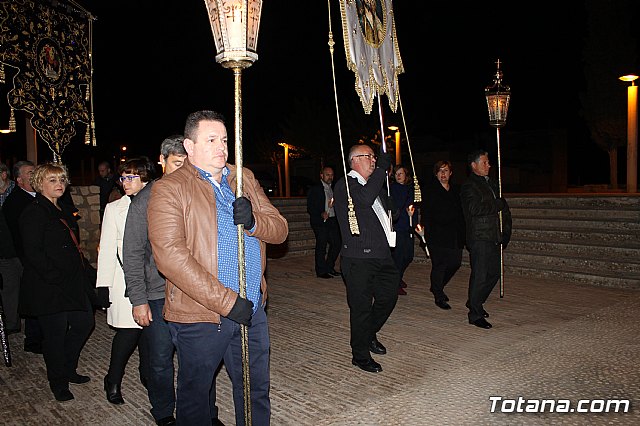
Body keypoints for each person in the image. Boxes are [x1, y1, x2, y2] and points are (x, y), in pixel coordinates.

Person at [148, 110, 288, 425]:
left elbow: (280, 230)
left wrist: (254, 221)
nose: (221, 147)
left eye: (224, 140)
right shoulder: (170, 189)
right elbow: (170, 257)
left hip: (252, 307)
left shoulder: (244, 178)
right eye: (211, 140)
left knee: (255, 392)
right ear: (189, 146)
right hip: (201, 315)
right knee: (196, 397)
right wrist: (227, 302)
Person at [124, 136, 222, 426]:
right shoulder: (146, 199)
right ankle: (165, 413)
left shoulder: (198, 191)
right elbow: (132, 253)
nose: (183, 170)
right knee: (160, 361)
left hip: (194, 292)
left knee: (200, 359)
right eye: (177, 163)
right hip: (157, 294)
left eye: (187, 164)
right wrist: (138, 300)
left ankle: (207, 412)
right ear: (162, 161)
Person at [18, 163, 95, 401]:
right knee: (55, 335)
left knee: (84, 323)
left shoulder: (62, 209)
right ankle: (58, 382)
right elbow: (32, 253)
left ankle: (67, 368)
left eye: (61, 179)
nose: (59, 184)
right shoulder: (33, 212)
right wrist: (54, 277)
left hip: (71, 281)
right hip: (48, 285)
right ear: (40, 184)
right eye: (52, 180)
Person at [333, 144, 399, 374]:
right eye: (369, 157)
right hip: (358, 258)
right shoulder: (345, 185)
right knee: (361, 308)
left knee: (388, 298)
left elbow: (384, 215)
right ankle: (359, 354)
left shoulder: (374, 187)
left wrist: (394, 208)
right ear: (354, 160)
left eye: (374, 157)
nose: (373, 160)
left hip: (382, 256)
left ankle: (367, 334)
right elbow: (362, 200)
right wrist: (381, 169)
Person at [97, 157, 156, 405]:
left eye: (132, 177)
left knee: (149, 336)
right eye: (123, 177)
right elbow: (108, 249)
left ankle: (147, 376)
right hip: (124, 282)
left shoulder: (157, 203)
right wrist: (103, 287)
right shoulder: (114, 209)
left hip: (153, 281)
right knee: (128, 334)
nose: (125, 182)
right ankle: (113, 378)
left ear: (145, 178)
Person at [460, 149, 512, 329]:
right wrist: (497, 204)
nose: (488, 165)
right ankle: (474, 314)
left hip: (494, 236)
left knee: (494, 273)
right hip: (480, 237)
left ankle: (475, 301)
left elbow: (503, 209)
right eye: (484, 162)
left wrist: (506, 231)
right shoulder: (469, 186)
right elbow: (474, 209)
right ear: (474, 166)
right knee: (480, 275)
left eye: (488, 162)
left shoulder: (492, 183)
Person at [2, 160, 42, 353]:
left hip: (34, 255)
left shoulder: (37, 196)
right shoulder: (16, 202)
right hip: (25, 257)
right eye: (30, 172)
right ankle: (33, 339)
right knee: (31, 296)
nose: (35, 174)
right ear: (19, 180)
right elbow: (20, 235)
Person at [423, 160, 465, 310]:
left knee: (455, 263)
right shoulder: (430, 191)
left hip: (454, 235)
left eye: (446, 171)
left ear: (451, 173)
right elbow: (426, 214)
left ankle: (437, 286)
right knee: (439, 266)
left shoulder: (456, 190)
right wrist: (425, 232)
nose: (443, 174)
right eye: (440, 171)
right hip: (437, 235)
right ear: (436, 174)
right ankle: (438, 295)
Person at [306, 165, 341, 279]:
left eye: (331, 175)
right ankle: (321, 271)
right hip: (320, 221)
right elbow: (310, 207)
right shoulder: (315, 189)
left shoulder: (334, 188)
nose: (330, 177)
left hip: (332, 220)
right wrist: (321, 213)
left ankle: (329, 267)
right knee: (322, 245)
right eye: (327, 175)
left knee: (337, 243)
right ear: (321, 175)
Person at [390, 164, 415, 295]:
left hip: (408, 226)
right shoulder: (392, 189)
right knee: (399, 257)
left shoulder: (411, 189)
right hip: (398, 226)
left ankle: (397, 277)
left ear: (406, 175)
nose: (398, 175)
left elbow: (414, 205)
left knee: (409, 256)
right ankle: (395, 282)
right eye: (396, 173)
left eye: (401, 173)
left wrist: (413, 218)